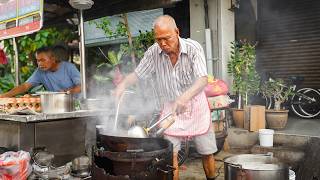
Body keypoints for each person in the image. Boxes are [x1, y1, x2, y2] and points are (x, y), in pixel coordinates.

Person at [114, 15, 217, 180]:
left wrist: (184, 98)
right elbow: (138, 74)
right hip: (171, 109)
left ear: (177, 32)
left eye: (166, 38)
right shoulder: (154, 52)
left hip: (196, 105)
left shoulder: (193, 48)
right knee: (171, 155)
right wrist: (123, 85)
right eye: (158, 39)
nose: (162, 43)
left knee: (207, 151)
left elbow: (203, 79)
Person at [0, 47, 81, 98]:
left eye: (43, 60)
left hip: (76, 104)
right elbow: (25, 86)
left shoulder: (69, 67)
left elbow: (82, 86)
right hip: (56, 105)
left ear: (53, 59)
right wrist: (5, 95)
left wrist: (67, 92)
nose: (40, 64)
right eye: (38, 60)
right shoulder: (40, 71)